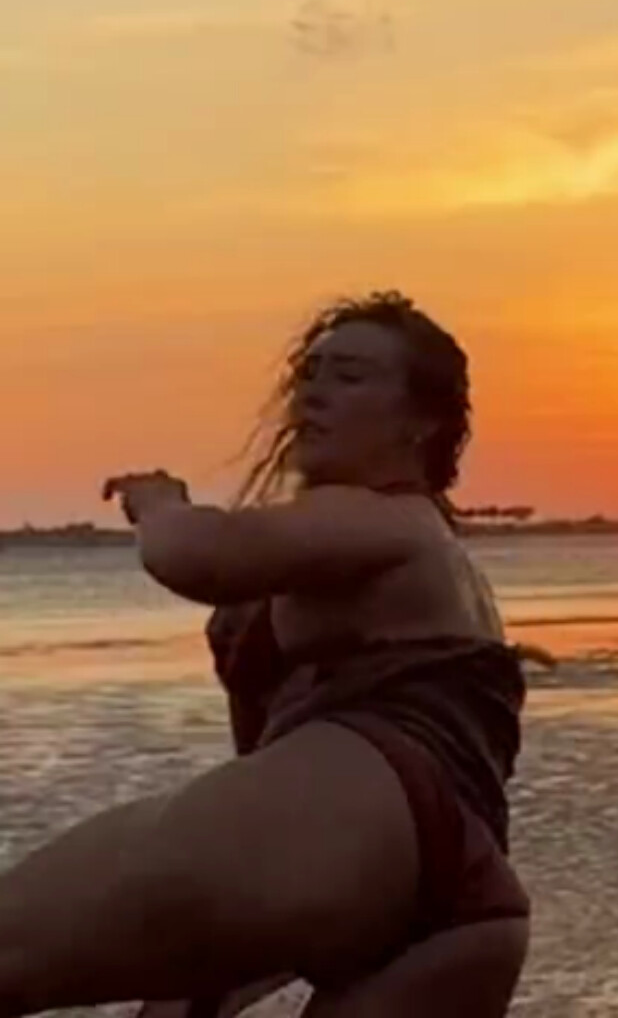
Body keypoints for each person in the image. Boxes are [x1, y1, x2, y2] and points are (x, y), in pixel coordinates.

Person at [0, 291, 532, 1018]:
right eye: (309, 373)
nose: (314, 391)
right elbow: (274, 763)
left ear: (423, 421)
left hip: (386, 842)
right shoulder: (409, 547)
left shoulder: (392, 520)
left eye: (350, 376)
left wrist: (159, 504)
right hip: (452, 905)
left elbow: (200, 557)